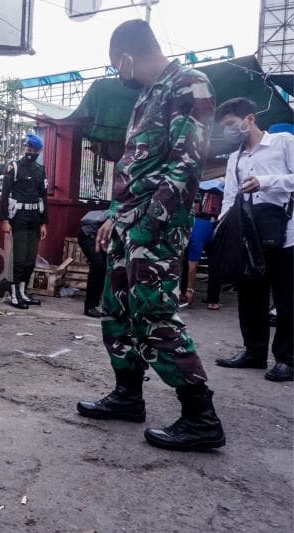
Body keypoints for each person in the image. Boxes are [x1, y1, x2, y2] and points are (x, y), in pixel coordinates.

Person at [76, 19, 226, 451]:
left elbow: (187, 164)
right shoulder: (145, 97)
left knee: (155, 310)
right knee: (116, 309)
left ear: (125, 57)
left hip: (157, 224)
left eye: (114, 65)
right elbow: (135, 169)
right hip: (129, 221)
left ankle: (200, 416)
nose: (117, 72)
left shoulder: (189, 85)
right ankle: (127, 396)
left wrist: (149, 223)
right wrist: (114, 215)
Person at [213, 98, 293, 382]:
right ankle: (254, 351)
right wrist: (222, 230)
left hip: (286, 235)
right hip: (248, 236)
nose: (229, 131)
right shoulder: (235, 158)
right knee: (250, 295)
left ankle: (286, 359)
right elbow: (230, 198)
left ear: (249, 118)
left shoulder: (283, 142)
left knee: (286, 299)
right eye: (225, 128)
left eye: (232, 124)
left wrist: (267, 181)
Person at [0, 133, 48, 309]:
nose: (31, 152)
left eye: (35, 149)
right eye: (29, 148)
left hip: (34, 218)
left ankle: (23, 292)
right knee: (19, 259)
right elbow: (4, 195)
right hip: (18, 218)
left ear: (39, 151)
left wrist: (44, 223)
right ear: (25, 148)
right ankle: (14, 295)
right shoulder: (13, 167)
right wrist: (4, 220)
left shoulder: (40, 170)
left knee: (30, 259)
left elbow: (43, 197)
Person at [179, 186, 223, 310]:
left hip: (208, 229)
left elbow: (193, 267)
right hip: (213, 223)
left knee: (194, 263)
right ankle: (211, 300)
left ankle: (189, 294)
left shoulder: (193, 235)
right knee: (214, 265)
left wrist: (190, 290)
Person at [77, 210, 109, 318]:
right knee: (98, 265)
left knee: (104, 268)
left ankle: (98, 304)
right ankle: (90, 307)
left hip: (101, 238)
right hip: (88, 236)